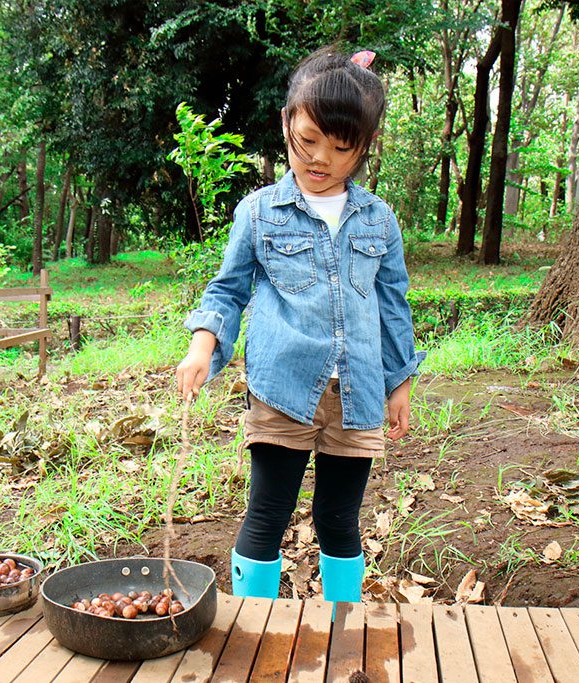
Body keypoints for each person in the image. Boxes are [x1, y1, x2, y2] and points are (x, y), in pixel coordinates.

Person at [175, 46, 423, 604]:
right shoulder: (259, 212)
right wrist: (203, 344)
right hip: (283, 388)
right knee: (268, 513)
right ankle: (252, 625)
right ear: (287, 121)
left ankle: (343, 625)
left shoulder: (379, 219)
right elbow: (228, 289)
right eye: (307, 140)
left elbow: (392, 304)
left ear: (362, 149)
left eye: (340, 149)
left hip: (357, 393)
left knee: (340, 518)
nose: (320, 160)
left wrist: (400, 380)